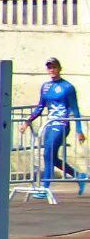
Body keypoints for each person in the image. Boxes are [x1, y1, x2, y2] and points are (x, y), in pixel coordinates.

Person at [24, 57, 84, 198]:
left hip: (62, 124)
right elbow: (40, 106)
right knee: (53, 158)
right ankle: (79, 175)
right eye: (49, 67)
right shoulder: (46, 86)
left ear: (59, 68)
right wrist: (27, 121)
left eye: (54, 67)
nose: (52, 70)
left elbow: (75, 109)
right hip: (49, 125)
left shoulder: (67, 87)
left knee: (47, 154)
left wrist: (79, 130)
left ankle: (45, 188)